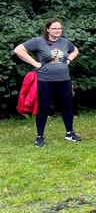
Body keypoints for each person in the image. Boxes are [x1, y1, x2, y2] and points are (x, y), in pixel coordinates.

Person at [14, 19, 81, 147]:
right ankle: (40, 136)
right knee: (43, 108)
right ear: (48, 30)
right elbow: (18, 50)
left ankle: (70, 133)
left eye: (59, 28)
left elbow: (75, 50)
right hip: (46, 80)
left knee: (67, 107)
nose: (57, 31)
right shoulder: (38, 41)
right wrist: (35, 63)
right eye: (55, 28)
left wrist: (68, 60)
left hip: (64, 79)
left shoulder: (65, 42)